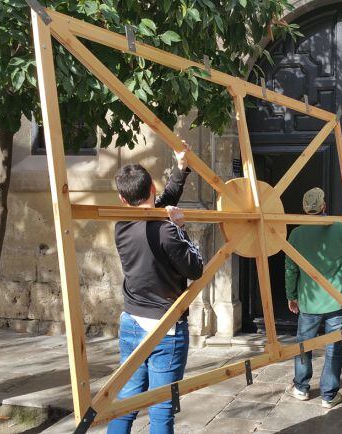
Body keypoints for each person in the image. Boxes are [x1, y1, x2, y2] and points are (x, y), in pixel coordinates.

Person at [107, 147, 203, 434]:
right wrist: (181, 228)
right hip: (167, 327)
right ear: (152, 186)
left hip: (133, 321)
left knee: (126, 403)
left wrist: (181, 169)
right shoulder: (167, 231)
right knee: (161, 410)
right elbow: (195, 268)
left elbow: (157, 206)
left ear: (122, 199)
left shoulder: (121, 224)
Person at [284, 187, 342, 409]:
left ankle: (300, 387)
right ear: (324, 207)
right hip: (338, 299)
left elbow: (291, 269)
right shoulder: (339, 229)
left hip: (309, 302)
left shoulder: (296, 234)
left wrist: (291, 295)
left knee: (304, 345)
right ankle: (329, 395)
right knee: (334, 346)